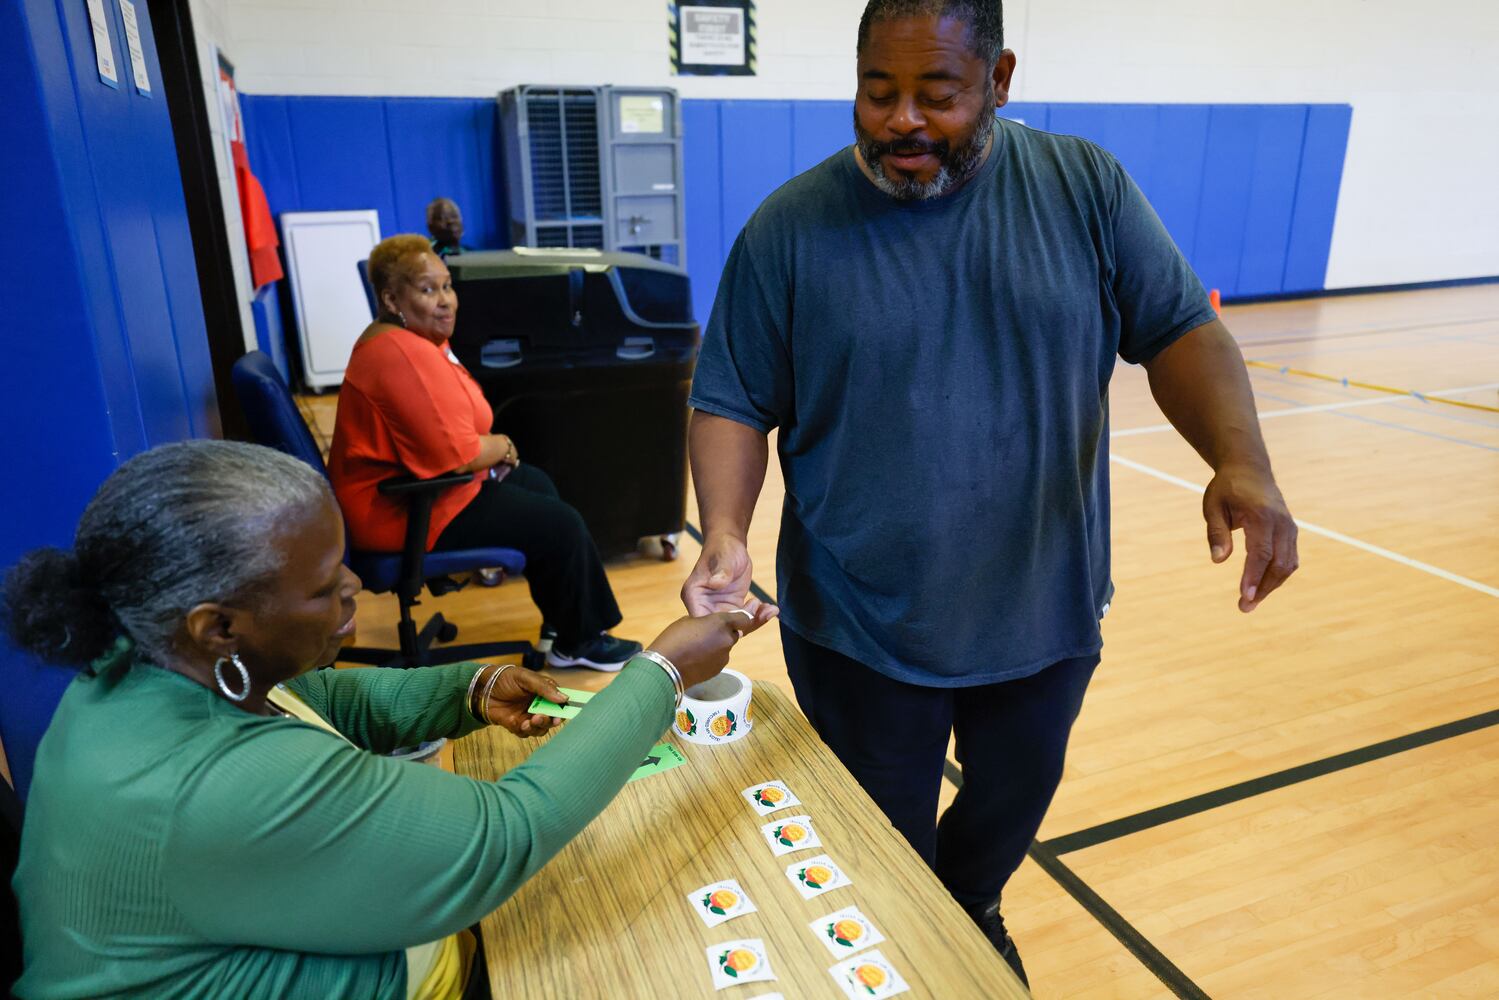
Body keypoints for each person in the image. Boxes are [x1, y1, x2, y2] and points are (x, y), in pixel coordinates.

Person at [681, 0, 1299, 985]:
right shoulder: (788, 230)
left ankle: (968, 904)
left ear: (998, 79)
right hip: (859, 626)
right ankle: (911, 943)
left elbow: (1181, 329)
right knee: (876, 860)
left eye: (937, 93)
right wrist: (721, 531)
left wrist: (1241, 460)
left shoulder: (1083, 187)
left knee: (1006, 809)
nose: (901, 120)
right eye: (877, 92)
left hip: (1041, 614)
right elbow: (729, 397)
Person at [3, 439, 775, 999]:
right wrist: (663, 671)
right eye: (319, 587)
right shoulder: (206, 784)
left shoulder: (140, 662)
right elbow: (502, 834)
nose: (353, 590)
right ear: (219, 627)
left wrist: (468, 689)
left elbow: (317, 702)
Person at [330, 233, 639, 670]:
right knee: (560, 524)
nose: (445, 301)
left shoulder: (411, 342)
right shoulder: (399, 354)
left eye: (447, 286)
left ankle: (562, 621)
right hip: (402, 510)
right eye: (427, 289)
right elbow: (454, 456)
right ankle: (580, 641)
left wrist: (494, 451)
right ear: (391, 298)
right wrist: (501, 446)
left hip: (418, 491)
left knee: (537, 483)